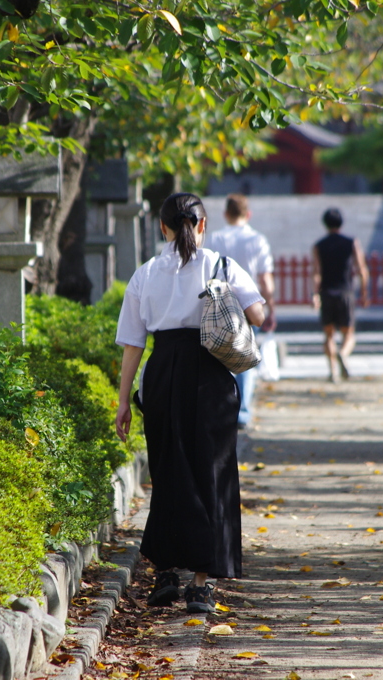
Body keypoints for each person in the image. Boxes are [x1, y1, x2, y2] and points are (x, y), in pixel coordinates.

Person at [114, 192, 265, 614]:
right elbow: (258, 316)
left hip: (161, 375)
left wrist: (123, 402)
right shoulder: (222, 266)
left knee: (168, 472)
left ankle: (165, 575)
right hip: (212, 376)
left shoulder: (145, 273)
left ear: (162, 227)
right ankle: (201, 586)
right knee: (211, 474)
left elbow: (132, 344)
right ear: (202, 225)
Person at [205, 193, 276, 429]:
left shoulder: (213, 238)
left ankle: (223, 406)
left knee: (221, 356)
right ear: (248, 214)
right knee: (246, 356)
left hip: (219, 306)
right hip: (247, 307)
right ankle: (242, 412)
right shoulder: (258, 240)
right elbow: (266, 281)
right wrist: (270, 308)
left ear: (226, 214)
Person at [311, 207, 370, 383]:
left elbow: (316, 273)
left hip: (327, 292)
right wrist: (365, 291)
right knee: (349, 334)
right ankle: (343, 354)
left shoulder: (318, 245)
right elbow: (361, 268)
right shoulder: (351, 242)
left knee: (329, 335)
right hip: (345, 291)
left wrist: (314, 294)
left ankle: (333, 372)